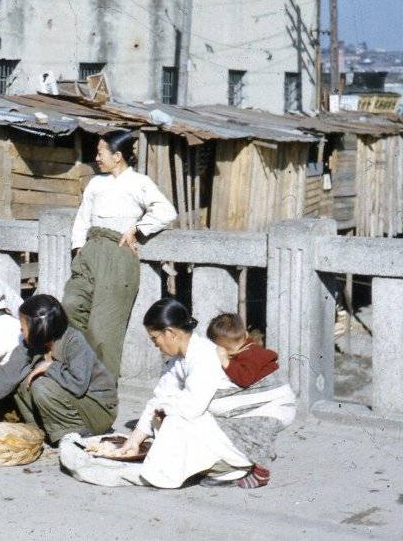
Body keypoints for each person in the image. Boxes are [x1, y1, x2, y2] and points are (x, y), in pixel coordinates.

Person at [100, 299, 295, 489]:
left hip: (247, 424)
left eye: (155, 338)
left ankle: (232, 467)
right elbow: (159, 398)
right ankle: (214, 465)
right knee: (162, 420)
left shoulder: (203, 356)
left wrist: (165, 408)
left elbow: (192, 409)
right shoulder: (180, 359)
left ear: (170, 333)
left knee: (173, 422)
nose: (155, 344)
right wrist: (134, 440)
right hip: (223, 421)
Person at [62, 131, 177, 379]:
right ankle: (78, 374)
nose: (96, 158)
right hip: (90, 251)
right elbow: (83, 217)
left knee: (104, 331)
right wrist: (79, 247)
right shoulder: (95, 183)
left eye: (101, 153)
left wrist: (138, 229)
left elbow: (167, 211)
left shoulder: (139, 183)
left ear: (117, 156)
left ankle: (103, 394)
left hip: (118, 255)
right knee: (70, 306)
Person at [0, 295, 118, 446]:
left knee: (40, 384)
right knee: (19, 379)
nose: (21, 331)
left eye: (23, 327)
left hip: (97, 412)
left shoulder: (74, 341)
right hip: (68, 404)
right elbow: (8, 373)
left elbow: (78, 383)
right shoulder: (32, 344)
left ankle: (73, 435)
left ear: (39, 329)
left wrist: (50, 366)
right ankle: (38, 430)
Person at [203, 313, 286, 487]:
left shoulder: (252, 355)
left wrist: (226, 362)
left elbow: (244, 379)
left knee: (251, 433)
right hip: (269, 403)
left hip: (271, 404)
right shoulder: (249, 347)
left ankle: (260, 473)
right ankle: (261, 454)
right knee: (255, 434)